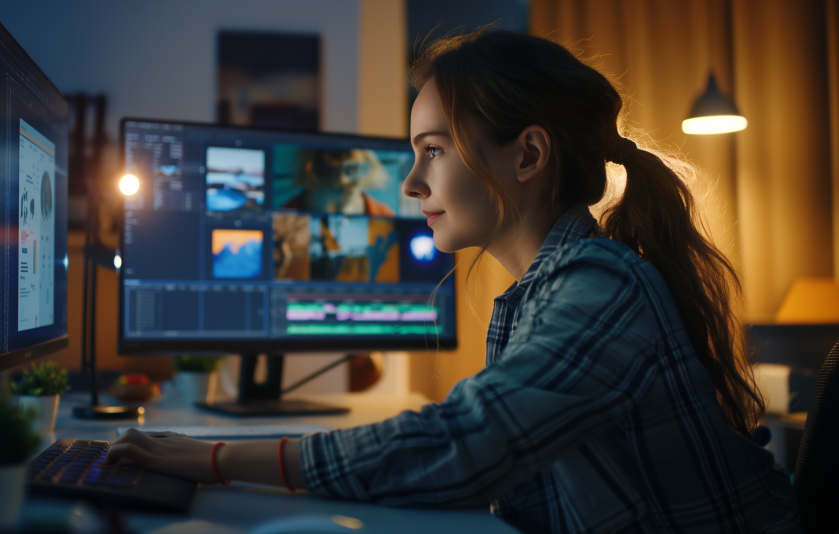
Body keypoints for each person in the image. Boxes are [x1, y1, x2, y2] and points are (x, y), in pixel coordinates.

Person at [109, 30, 800, 532]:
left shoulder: (603, 288)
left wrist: (216, 458)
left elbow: (467, 444)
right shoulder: (548, 290)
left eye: (432, 151)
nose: (411, 184)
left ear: (528, 154)